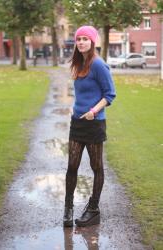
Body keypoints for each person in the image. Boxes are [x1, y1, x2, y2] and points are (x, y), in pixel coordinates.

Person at [63, 25, 116, 227]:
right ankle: (68, 208)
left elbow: (110, 94)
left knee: (96, 167)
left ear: (93, 42)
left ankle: (93, 209)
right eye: (79, 39)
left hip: (94, 124)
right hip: (77, 123)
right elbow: (81, 94)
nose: (81, 42)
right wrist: (75, 108)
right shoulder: (79, 63)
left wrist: (93, 111)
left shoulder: (99, 65)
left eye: (85, 39)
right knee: (72, 166)